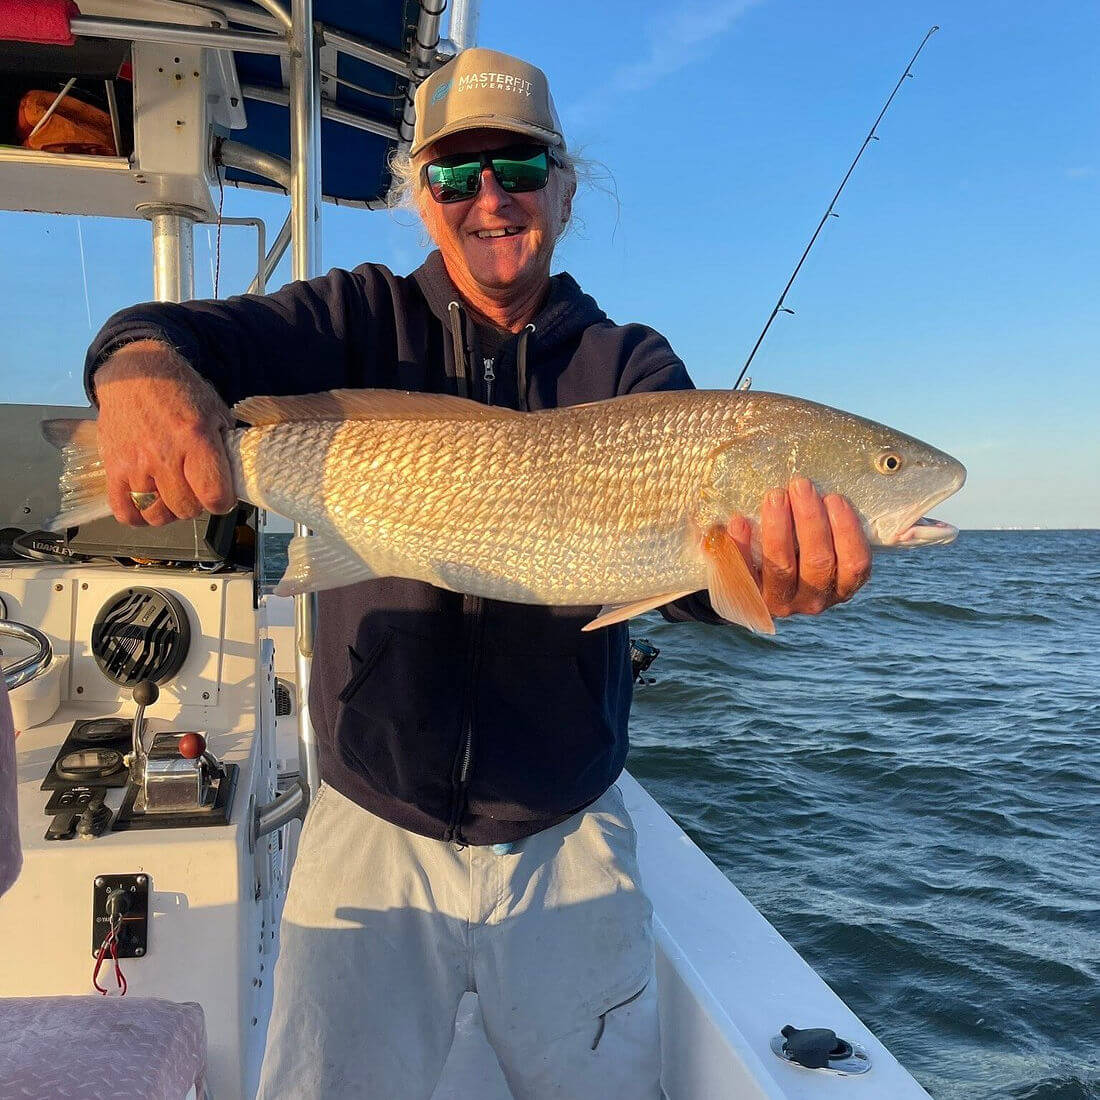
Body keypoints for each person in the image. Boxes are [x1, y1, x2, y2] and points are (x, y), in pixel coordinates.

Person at [84, 47, 871, 1100]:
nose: (487, 197)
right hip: (370, 813)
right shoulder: (352, 319)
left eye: (516, 167)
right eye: (454, 175)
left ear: (564, 184)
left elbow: (687, 582)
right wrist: (136, 368)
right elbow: (187, 334)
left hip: (566, 830)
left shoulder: (632, 369)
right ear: (420, 197)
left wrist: (766, 581)